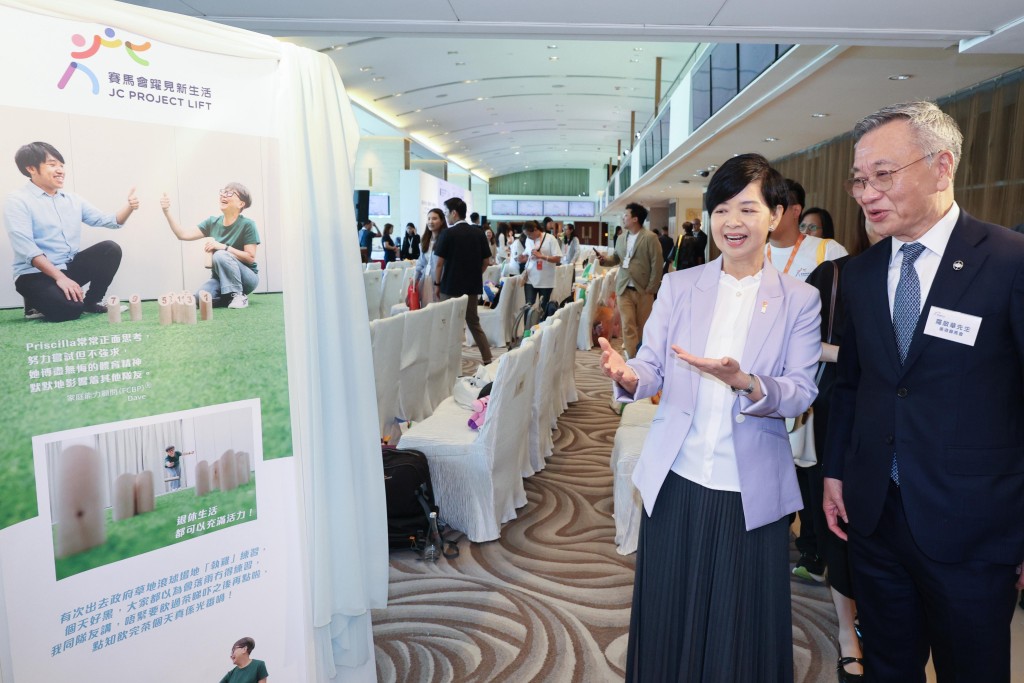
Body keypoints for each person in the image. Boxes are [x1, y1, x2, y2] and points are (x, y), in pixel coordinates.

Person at [599, 153, 820, 682]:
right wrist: (629, 376)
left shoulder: (799, 299)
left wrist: (746, 381)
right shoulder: (680, 286)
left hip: (751, 490)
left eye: (747, 208)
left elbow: (800, 392)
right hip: (677, 480)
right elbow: (651, 366)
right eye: (721, 209)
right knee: (669, 612)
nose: (732, 222)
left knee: (739, 625)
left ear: (776, 214)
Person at [823, 101, 1024, 683]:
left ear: (941, 166)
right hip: (875, 516)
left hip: (974, 524)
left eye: (883, 175)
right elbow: (854, 384)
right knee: (888, 664)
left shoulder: (1009, 261)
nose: (866, 193)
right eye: (860, 179)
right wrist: (837, 471)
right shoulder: (861, 274)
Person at [802, 213, 876, 682]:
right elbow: (800, 338)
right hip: (836, 415)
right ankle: (848, 633)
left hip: (900, 429)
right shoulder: (837, 274)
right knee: (838, 526)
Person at [766, 179, 847, 584]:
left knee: (809, 472)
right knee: (766, 465)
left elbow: (843, 319)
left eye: (773, 206)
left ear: (794, 210)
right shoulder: (753, 252)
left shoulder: (826, 252)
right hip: (759, 382)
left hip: (811, 382)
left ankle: (814, 551)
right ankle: (770, 541)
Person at [4, 141, 138, 322]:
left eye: (61, 165)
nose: (60, 170)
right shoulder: (17, 201)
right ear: (31, 169)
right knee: (70, 311)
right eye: (52, 165)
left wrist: (129, 207)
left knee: (110, 249)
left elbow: (109, 221)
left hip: (67, 267)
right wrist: (60, 278)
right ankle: (36, 302)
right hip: (33, 275)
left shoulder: (73, 200)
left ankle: (92, 302)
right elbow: (27, 248)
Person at [160, 183, 260, 309]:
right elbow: (182, 234)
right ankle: (229, 298)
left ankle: (239, 295)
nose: (223, 195)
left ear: (241, 204)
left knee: (220, 255)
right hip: (220, 279)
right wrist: (167, 211)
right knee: (199, 299)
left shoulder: (248, 224)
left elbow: (250, 258)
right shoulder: (212, 222)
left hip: (247, 278)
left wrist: (223, 247)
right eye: (223, 192)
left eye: (230, 193)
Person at [595, 202, 662, 359]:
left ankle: (644, 357)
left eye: (626, 215)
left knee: (643, 327)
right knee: (627, 326)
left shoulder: (650, 238)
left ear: (635, 219)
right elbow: (617, 258)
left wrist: (651, 288)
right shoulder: (620, 239)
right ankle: (632, 359)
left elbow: (657, 263)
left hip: (643, 289)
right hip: (624, 288)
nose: (623, 218)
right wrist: (604, 260)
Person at [434, 197, 492, 364]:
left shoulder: (448, 233)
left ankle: (448, 362)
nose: (446, 217)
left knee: (447, 324)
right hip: (472, 286)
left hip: (450, 285)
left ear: (454, 213)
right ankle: (488, 359)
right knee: (473, 323)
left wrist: (437, 284)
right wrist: (474, 274)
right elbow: (486, 261)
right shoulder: (479, 232)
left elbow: (439, 264)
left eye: (446, 213)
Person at [518, 220, 562, 318]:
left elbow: (558, 258)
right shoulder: (528, 240)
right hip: (530, 278)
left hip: (546, 280)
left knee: (544, 308)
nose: (528, 237)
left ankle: (542, 331)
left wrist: (542, 256)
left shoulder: (550, 239)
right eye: (526, 235)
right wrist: (522, 258)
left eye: (529, 235)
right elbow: (528, 256)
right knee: (528, 307)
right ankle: (528, 332)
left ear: (535, 230)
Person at [414, 208, 446, 305]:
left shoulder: (445, 240)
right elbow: (421, 263)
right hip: (426, 279)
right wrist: (415, 280)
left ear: (441, 221)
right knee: (426, 310)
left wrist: (438, 283)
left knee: (439, 310)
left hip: (440, 281)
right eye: (429, 219)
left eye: (434, 218)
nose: (430, 221)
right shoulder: (425, 240)